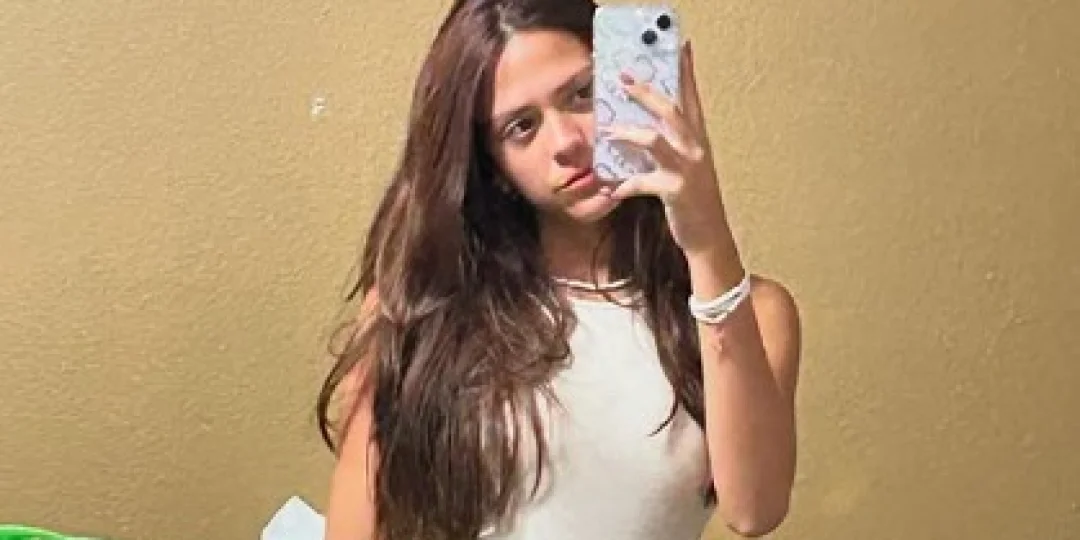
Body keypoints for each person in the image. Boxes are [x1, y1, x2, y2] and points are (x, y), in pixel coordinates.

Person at [316, 0, 802, 538]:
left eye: (583, 93)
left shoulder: (754, 313)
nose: (567, 142)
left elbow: (754, 509)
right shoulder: (422, 307)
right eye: (522, 126)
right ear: (493, 165)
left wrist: (707, 241)